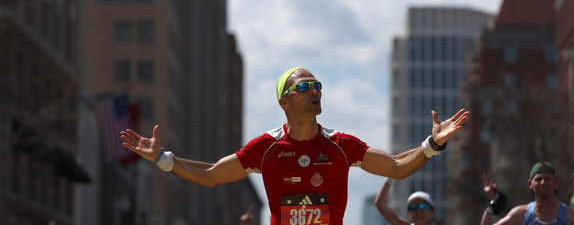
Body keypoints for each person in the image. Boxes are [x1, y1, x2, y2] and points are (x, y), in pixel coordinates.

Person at [121, 67, 470, 225]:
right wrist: (163, 159)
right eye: (305, 87)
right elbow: (211, 175)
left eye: (317, 85)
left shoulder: (341, 144)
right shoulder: (265, 148)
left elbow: (395, 167)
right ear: (284, 102)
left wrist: (432, 144)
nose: (315, 91)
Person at [481, 161, 574, 225]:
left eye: (547, 179)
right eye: (538, 179)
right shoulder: (520, 215)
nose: (542, 183)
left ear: (556, 184)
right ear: (530, 184)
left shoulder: (569, 214)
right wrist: (492, 203)